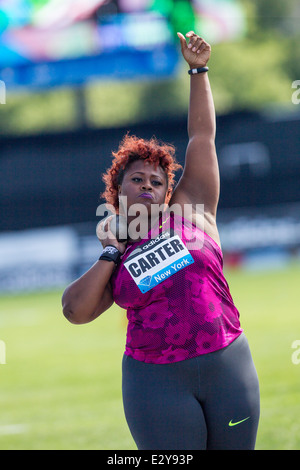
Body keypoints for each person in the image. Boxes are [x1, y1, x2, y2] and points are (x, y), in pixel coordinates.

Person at [62, 31, 260, 450]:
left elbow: (201, 137)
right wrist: (112, 250)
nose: (149, 185)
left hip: (227, 361)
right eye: (137, 179)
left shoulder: (192, 209)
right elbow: (75, 311)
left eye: (158, 180)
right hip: (155, 381)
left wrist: (198, 70)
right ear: (118, 191)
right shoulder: (115, 247)